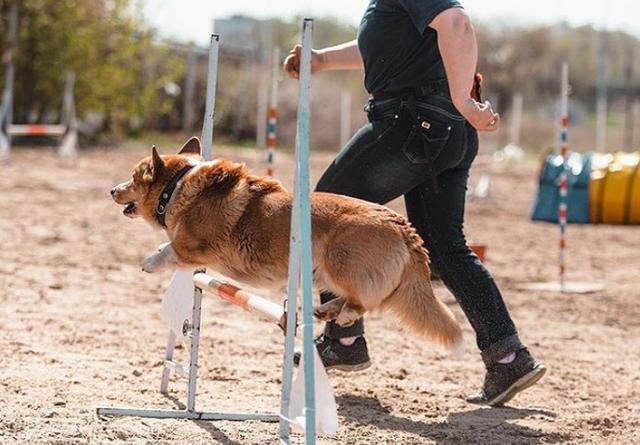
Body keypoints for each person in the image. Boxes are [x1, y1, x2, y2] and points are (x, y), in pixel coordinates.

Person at [284, 0, 546, 406]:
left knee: (322, 214)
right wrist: (321, 60)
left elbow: (456, 25)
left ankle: (345, 339)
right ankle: (508, 356)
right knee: (443, 248)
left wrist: (464, 100)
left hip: (413, 122)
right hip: (443, 131)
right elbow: (388, 45)